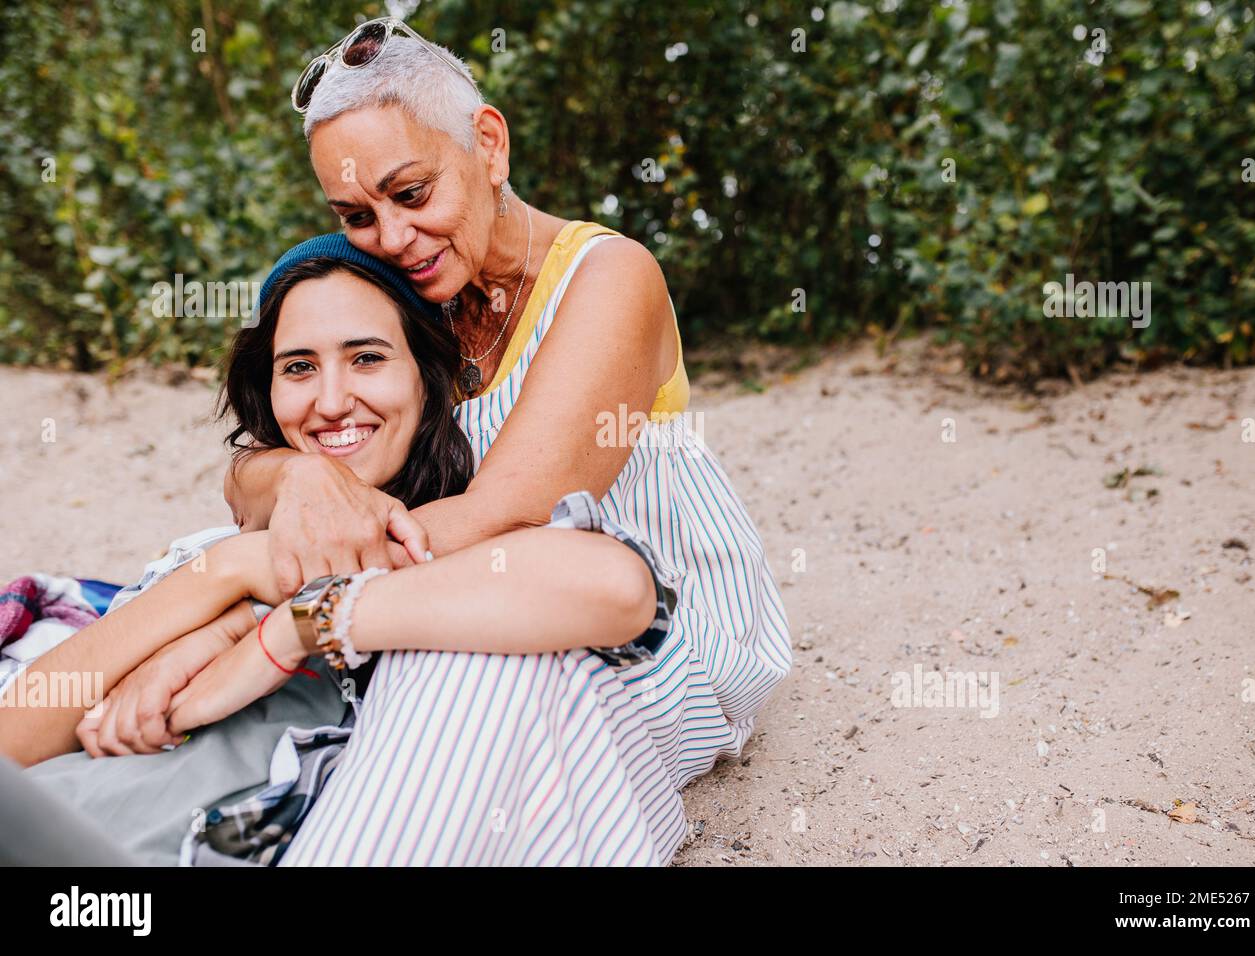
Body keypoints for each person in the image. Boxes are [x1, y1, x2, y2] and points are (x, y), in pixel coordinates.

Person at [222, 19, 792, 863]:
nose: (390, 237)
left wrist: (263, 594)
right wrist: (299, 482)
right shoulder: (402, 288)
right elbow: (251, 469)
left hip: (650, 615)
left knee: (481, 677)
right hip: (450, 588)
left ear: (488, 145)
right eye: (354, 214)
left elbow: (508, 513)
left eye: (412, 194)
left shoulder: (609, 275)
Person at [0, 241, 675, 865]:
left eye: (368, 358)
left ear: (427, 377)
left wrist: (276, 626)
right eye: (298, 367)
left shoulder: (467, 549)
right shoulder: (221, 552)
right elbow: (13, 740)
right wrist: (245, 568)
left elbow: (613, 588)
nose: (331, 401)